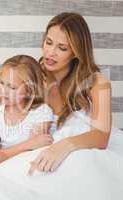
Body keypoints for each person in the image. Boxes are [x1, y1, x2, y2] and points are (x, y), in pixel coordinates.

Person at [28, 12, 111, 174]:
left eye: (62, 48)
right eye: (48, 42)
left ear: (76, 52)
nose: (51, 52)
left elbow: (102, 136)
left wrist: (64, 146)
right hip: (38, 154)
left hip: (81, 157)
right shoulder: (34, 75)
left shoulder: (98, 82)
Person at [0, 55, 54, 166]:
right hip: (0, 166)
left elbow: (33, 151)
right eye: (1, 83)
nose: (3, 91)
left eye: (12, 87)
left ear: (29, 90)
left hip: (25, 164)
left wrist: (4, 155)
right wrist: (30, 143)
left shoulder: (41, 112)